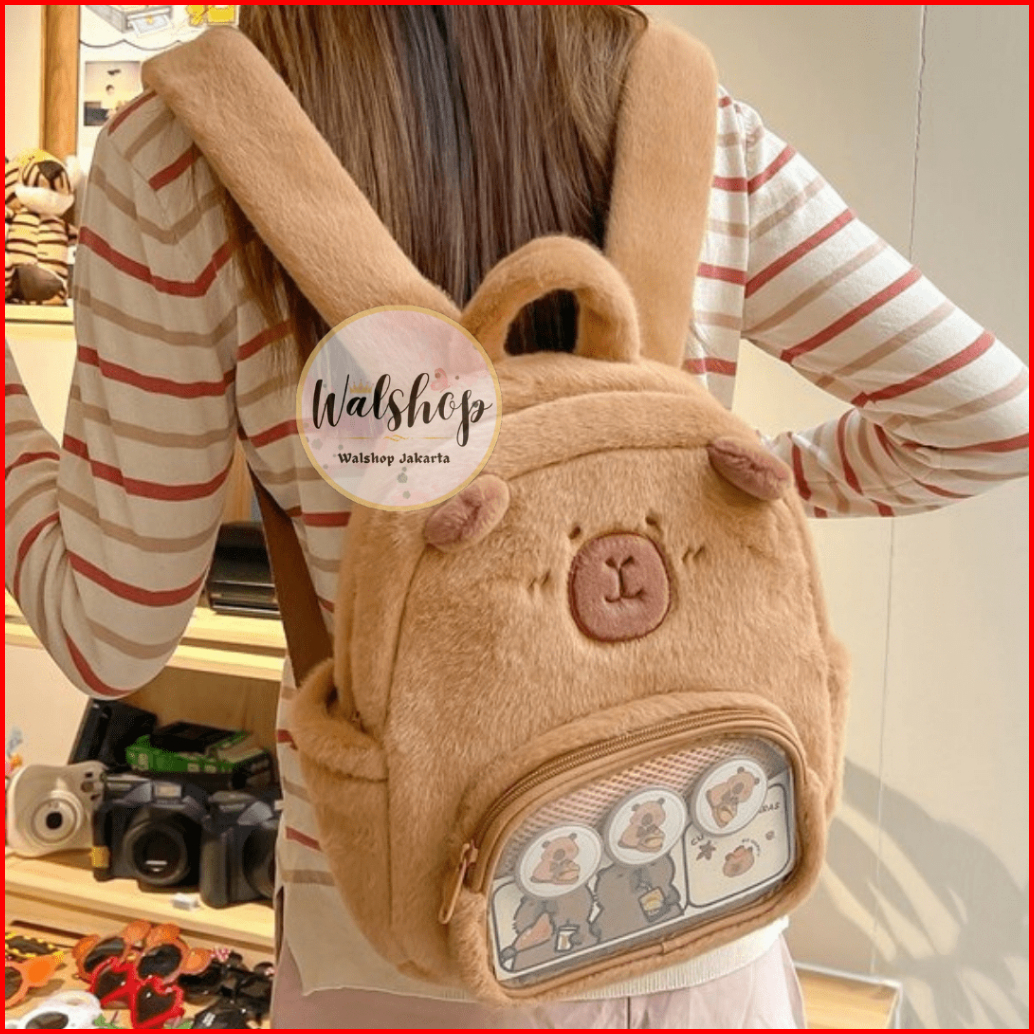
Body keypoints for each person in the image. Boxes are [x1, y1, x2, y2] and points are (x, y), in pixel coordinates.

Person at [4, 6, 1028, 1029]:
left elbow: (113, 633)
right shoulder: (690, 120)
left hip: (400, 942)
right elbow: (990, 418)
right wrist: (719, 498)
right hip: (707, 892)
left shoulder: (175, 156)